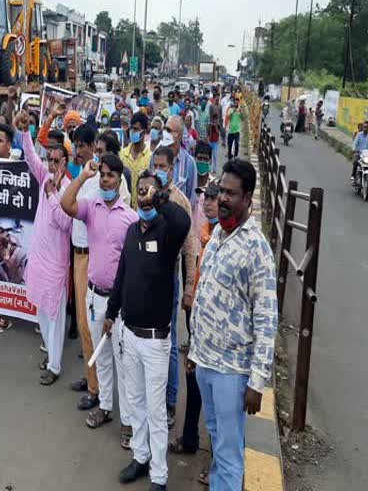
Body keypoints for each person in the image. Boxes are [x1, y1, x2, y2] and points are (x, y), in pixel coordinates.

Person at [189, 159, 278, 491]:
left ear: (247, 197)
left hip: (232, 371)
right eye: (221, 191)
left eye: (231, 193)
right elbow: (205, 294)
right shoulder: (218, 235)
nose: (222, 198)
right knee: (216, 439)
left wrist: (256, 382)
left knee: (228, 453)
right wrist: (195, 351)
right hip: (206, 362)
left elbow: (267, 320)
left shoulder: (257, 250)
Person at [106, 170, 191, 490]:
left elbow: (184, 222)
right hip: (129, 333)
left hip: (156, 342)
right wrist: (111, 313)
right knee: (135, 401)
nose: (143, 195)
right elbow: (121, 277)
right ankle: (140, 458)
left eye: (149, 191)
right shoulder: (131, 232)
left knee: (156, 411)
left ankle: (159, 475)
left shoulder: (167, 232)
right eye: (139, 190)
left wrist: (160, 197)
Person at [60, 153, 137, 445]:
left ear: (120, 181)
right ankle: (105, 407)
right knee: (101, 358)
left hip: (119, 305)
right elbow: (65, 204)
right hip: (94, 296)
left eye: (110, 175)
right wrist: (83, 175)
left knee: (122, 363)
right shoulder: (90, 208)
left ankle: (128, 423)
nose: (105, 179)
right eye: (102, 174)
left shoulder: (130, 218)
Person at [169, 179, 219, 488]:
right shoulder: (205, 233)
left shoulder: (225, 237)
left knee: (217, 402)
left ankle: (217, 462)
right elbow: (193, 261)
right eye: (208, 199)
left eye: (216, 198)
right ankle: (189, 438)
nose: (211, 203)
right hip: (199, 318)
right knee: (194, 381)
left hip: (218, 334)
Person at [22, 118, 73, 384]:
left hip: (56, 264)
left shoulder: (67, 189)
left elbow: (66, 223)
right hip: (40, 258)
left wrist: (54, 195)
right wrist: (24, 130)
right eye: (49, 160)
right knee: (41, 312)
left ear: (65, 162)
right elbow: (30, 157)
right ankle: (50, 354)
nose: (51, 165)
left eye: (56, 160)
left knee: (54, 318)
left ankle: (54, 366)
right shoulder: (44, 177)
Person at [151, 146, 198, 428]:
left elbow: (190, 247)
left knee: (167, 343)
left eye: (162, 166)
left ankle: (169, 402)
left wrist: (189, 287)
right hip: (147, 276)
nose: (158, 169)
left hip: (169, 277)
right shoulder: (146, 194)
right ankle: (151, 397)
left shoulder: (179, 201)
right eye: (154, 165)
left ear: (171, 168)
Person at [153, 115, 198, 205]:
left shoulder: (189, 162)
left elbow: (191, 199)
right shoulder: (155, 156)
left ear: (179, 135)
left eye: (169, 130)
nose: (165, 133)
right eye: (165, 129)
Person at [120, 112, 152, 207]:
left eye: (136, 129)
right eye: (131, 128)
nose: (132, 132)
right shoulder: (121, 154)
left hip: (142, 210)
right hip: (124, 209)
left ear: (144, 131)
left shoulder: (150, 158)